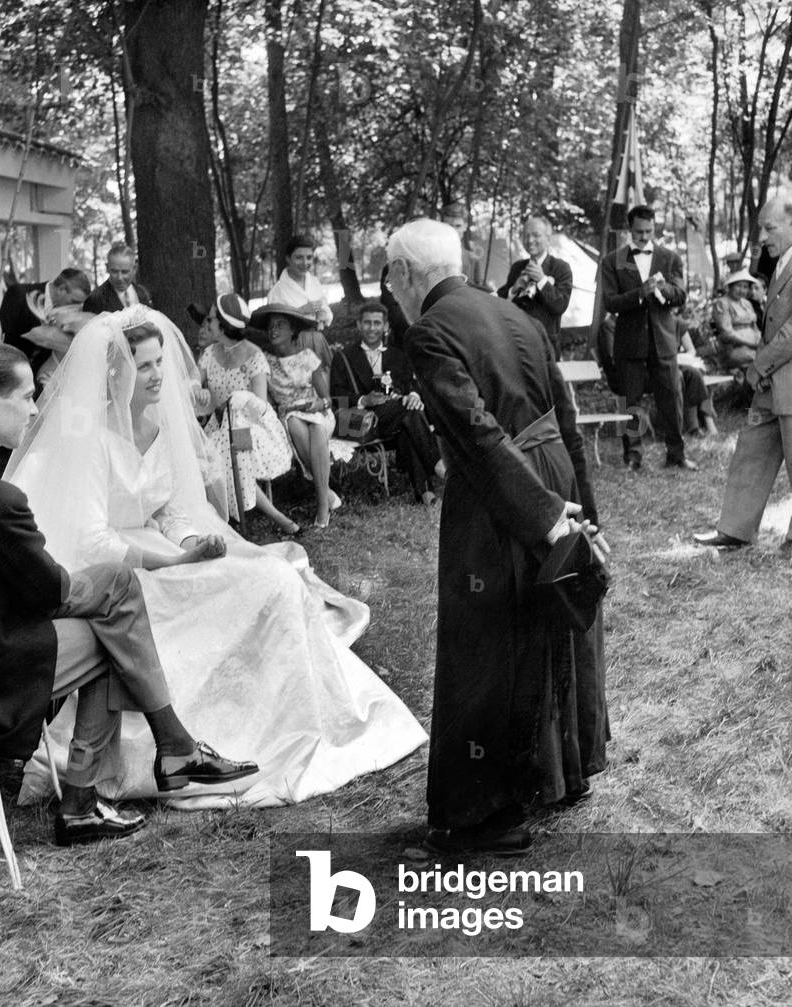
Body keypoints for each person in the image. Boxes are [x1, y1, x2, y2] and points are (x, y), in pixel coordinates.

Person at [5, 305, 426, 807]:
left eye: (160, 361)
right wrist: (172, 564)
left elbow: (173, 510)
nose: (159, 374)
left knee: (272, 579)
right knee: (225, 594)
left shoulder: (159, 426)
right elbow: (95, 539)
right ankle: (179, 746)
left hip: (162, 551)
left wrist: (190, 543)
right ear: (117, 373)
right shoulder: (93, 439)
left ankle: (285, 717)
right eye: (144, 366)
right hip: (113, 570)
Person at [0, 342, 258, 847]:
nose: (37, 409)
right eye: (28, 396)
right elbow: (48, 592)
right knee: (115, 617)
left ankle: (158, 757)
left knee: (114, 598)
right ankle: (112, 784)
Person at [385, 218, 609, 854]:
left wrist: (543, 517)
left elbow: (479, 438)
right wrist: (580, 516)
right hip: (550, 474)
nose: (390, 289)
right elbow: (564, 422)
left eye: (389, 275)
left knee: (484, 640)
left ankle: (485, 816)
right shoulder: (516, 313)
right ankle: (560, 774)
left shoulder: (428, 333)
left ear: (406, 275)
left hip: (501, 495)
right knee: (552, 612)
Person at [694, 185, 792, 555]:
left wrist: (757, 366)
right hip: (772, 382)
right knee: (750, 450)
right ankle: (734, 530)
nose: (762, 236)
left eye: (770, 228)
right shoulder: (781, 261)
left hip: (783, 377)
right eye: (761, 228)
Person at [600, 204, 695, 472]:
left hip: (663, 341)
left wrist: (662, 288)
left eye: (649, 231)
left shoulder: (670, 257)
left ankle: (676, 454)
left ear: (655, 228)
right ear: (630, 230)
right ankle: (633, 458)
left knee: (671, 398)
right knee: (632, 402)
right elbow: (610, 302)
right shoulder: (613, 261)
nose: (644, 237)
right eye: (639, 232)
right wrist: (640, 292)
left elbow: (680, 295)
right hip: (629, 343)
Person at [197, 293, 299, 534]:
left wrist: (241, 400)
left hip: (255, 429)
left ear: (223, 326)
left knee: (229, 445)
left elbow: (261, 407)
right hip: (220, 427)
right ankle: (275, 518)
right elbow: (194, 379)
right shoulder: (210, 353)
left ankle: (233, 521)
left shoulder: (254, 355)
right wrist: (195, 387)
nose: (207, 323)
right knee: (221, 447)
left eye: (211, 319)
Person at [331, 300, 445, 505]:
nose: (372, 328)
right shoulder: (344, 357)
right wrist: (364, 399)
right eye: (367, 323)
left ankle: (426, 493)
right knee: (408, 413)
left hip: (397, 418)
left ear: (386, 327)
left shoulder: (398, 355)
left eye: (377, 323)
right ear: (358, 325)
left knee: (408, 419)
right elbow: (336, 394)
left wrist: (413, 396)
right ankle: (436, 462)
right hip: (361, 422)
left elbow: (411, 384)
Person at [253, 303, 339, 531]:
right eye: (271, 326)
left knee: (317, 426)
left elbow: (327, 399)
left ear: (293, 330)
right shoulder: (264, 360)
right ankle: (325, 495)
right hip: (288, 418)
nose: (273, 330)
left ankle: (322, 503)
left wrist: (318, 404)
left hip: (317, 414)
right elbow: (267, 400)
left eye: (280, 325)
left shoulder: (307, 357)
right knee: (294, 421)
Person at [497, 215, 573, 359]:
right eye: (526, 236)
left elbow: (560, 305)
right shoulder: (517, 268)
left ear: (548, 238)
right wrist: (514, 288)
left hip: (546, 346)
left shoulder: (560, 268)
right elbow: (499, 303)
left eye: (536, 235)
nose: (530, 240)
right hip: (516, 343)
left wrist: (542, 280)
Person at [268, 233, 334, 330]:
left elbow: (326, 311)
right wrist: (300, 311)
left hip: (317, 339)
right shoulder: (277, 291)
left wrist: (325, 315)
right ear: (288, 259)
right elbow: (275, 327)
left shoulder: (315, 282)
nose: (305, 263)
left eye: (309, 257)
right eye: (299, 257)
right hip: (292, 343)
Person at [712, 268, 762, 372]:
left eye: (745, 287)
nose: (742, 290)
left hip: (754, 346)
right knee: (754, 359)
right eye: (738, 286)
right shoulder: (722, 303)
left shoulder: (747, 303)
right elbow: (727, 332)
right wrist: (750, 344)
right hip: (733, 348)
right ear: (730, 286)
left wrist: (760, 340)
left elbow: (755, 326)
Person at [83, 242, 152, 315]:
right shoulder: (95, 299)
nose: (119, 278)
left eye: (125, 272)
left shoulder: (142, 292)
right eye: (114, 271)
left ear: (134, 269)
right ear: (107, 268)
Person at [443, 209, 493, 291]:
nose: (453, 230)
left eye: (458, 226)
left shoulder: (472, 259)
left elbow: (477, 288)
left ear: (465, 226)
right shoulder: (433, 257)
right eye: (449, 226)